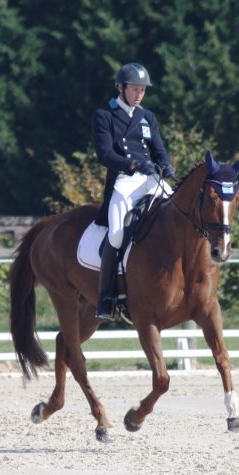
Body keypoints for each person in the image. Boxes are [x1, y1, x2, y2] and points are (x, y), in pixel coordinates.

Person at [92, 62, 175, 321]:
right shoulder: (104, 115)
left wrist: (166, 165)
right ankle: (106, 297)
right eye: (135, 89)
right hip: (124, 181)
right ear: (121, 87)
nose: (139, 94)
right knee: (116, 236)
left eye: (143, 90)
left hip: (150, 178)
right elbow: (104, 154)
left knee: (179, 215)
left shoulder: (148, 117)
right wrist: (132, 163)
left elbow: (158, 148)